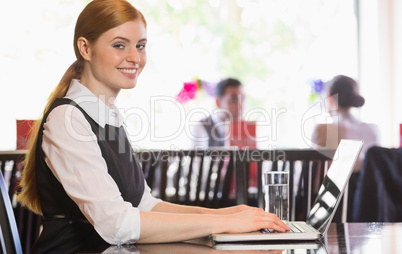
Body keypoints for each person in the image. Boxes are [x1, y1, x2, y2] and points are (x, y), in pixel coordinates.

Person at [16, 1, 289, 253]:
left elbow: (144, 205)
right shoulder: (68, 118)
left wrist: (224, 215)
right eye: (120, 45)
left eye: (141, 45)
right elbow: (117, 224)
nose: (135, 57)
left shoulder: (106, 114)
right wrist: (221, 225)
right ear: (85, 48)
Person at [310, 74, 380, 220]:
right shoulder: (373, 130)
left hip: (333, 212)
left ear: (330, 98)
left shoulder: (324, 129)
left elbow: (314, 181)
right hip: (371, 210)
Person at [190, 78, 245, 149]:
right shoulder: (202, 127)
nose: (240, 106)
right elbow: (197, 159)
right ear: (218, 102)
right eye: (234, 100)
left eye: (243, 99)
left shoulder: (245, 129)